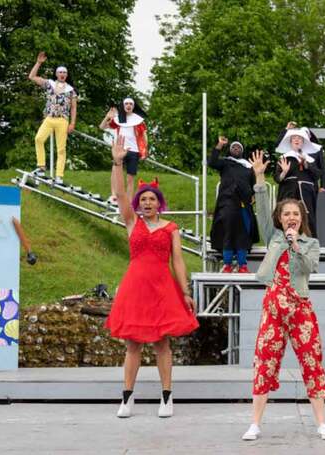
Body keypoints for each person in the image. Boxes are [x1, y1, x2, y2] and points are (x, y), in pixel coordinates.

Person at [241, 150, 325, 441]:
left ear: (301, 218)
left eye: (295, 214)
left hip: (300, 309)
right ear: (280, 219)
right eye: (286, 214)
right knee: (264, 361)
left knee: (312, 361)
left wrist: (296, 247)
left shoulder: (311, 243)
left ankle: (321, 423)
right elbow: (262, 208)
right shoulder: (273, 236)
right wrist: (259, 176)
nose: (291, 217)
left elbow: (309, 268)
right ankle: (255, 423)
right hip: (273, 308)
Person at [104, 136, 199, 418]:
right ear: (139, 203)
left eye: (152, 199)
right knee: (133, 343)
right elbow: (120, 194)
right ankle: (126, 397)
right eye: (143, 199)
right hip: (136, 286)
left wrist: (185, 291)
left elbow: (179, 261)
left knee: (161, 342)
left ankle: (167, 396)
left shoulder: (171, 227)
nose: (147, 202)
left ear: (159, 203)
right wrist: (118, 163)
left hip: (161, 287)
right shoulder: (131, 222)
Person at [208, 136, 259, 273]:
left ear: (242, 151)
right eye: (233, 147)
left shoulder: (248, 167)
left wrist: (253, 195)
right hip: (228, 202)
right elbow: (212, 162)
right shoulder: (225, 163)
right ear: (230, 150)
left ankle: (242, 265)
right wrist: (219, 145)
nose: (236, 149)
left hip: (244, 204)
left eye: (239, 147)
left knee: (243, 232)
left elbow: (253, 184)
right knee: (228, 231)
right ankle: (228, 264)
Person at [28, 51, 78, 185]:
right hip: (49, 118)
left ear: (67, 75)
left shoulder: (71, 90)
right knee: (39, 139)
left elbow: (73, 108)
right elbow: (32, 76)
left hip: (62, 120)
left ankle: (59, 176)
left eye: (64, 73)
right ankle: (41, 167)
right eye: (60, 72)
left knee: (61, 149)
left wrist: (72, 123)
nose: (62, 74)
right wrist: (38, 63)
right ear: (56, 74)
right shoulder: (49, 83)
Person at [274, 127, 322, 237]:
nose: (297, 140)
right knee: (287, 217)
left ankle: (308, 246)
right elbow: (277, 178)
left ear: (303, 142)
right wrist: (284, 172)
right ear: (290, 142)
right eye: (294, 138)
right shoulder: (284, 158)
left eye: (300, 138)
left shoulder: (310, 159)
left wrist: (306, 164)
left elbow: (317, 175)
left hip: (306, 195)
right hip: (288, 193)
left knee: (307, 220)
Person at [100, 97, 149, 203]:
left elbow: (144, 136)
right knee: (115, 172)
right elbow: (102, 127)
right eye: (126, 104)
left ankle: (129, 201)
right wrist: (107, 117)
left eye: (130, 104)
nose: (128, 106)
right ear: (123, 105)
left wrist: (145, 151)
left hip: (134, 151)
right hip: (120, 150)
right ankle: (114, 196)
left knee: (130, 178)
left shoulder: (138, 120)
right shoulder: (118, 119)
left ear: (133, 106)